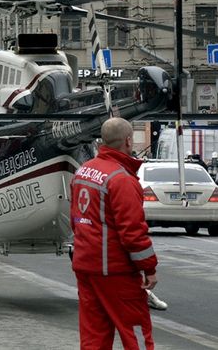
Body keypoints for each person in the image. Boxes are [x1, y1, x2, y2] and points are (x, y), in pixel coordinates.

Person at [70, 117, 158, 349]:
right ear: (128, 141)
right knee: (136, 330)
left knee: (93, 335)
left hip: (86, 267)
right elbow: (133, 234)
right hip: (115, 271)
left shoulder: (83, 172)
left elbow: (75, 220)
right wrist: (148, 268)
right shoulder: (122, 180)